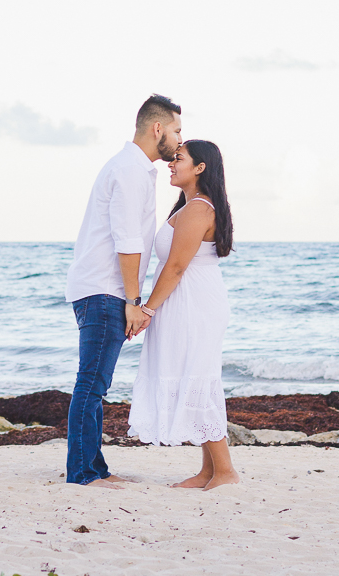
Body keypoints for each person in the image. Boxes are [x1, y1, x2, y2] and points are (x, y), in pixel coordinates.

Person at [65, 94, 182, 486]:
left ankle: (94, 468)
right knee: (91, 383)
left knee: (95, 383)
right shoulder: (130, 171)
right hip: (105, 289)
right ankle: (82, 472)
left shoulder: (134, 168)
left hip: (101, 288)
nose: (180, 140)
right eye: (177, 130)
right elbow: (127, 243)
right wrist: (134, 301)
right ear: (157, 128)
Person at [127, 140, 239, 490]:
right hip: (186, 300)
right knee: (194, 374)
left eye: (178, 159)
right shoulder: (189, 207)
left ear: (200, 167)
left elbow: (175, 267)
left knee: (197, 378)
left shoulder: (199, 209)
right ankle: (209, 471)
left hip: (193, 303)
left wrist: (147, 309)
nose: (170, 165)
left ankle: (225, 471)